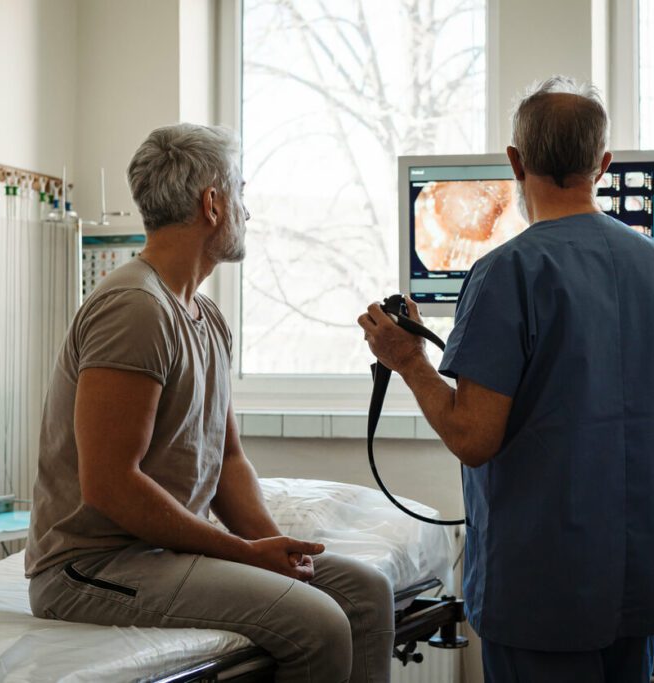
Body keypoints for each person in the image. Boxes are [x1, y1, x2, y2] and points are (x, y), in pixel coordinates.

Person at [26, 123, 394, 683]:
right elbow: (110, 484)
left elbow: (226, 460)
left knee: (366, 592)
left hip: (162, 556)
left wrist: (274, 550)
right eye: (241, 194)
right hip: (91, 567)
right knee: (319, 623)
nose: (249, 211)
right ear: (213, 204)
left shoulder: (206, 318)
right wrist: (243, 555)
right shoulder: (135, 308)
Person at [358, 77, 654, 683]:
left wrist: (409, 361)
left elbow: (474, 437)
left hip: (540, 591)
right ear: (603, 164)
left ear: (515, 162)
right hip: (627, 581)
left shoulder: (505, 272)